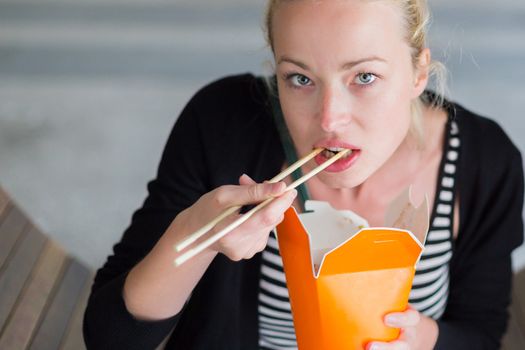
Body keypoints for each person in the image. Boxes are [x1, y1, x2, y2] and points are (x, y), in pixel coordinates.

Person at [83, 0, 524, 349]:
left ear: (418, 72)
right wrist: (198, 237)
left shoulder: (484, 162)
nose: (329, 119)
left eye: (364, 76)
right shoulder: (221, 123)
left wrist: (424, 339)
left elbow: (481, 334)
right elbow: (110, 337)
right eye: (299, 79)